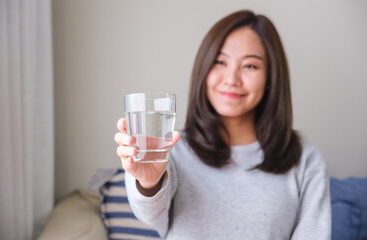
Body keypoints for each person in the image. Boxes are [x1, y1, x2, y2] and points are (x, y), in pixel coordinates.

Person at [114, 10, 331, 239]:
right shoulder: (170, 149)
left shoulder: (305, 157)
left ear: (270, 78)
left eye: (250, 66)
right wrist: (149, 183)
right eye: (220, 62)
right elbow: (152, 216)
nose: (231, 79)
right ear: (204, 68)